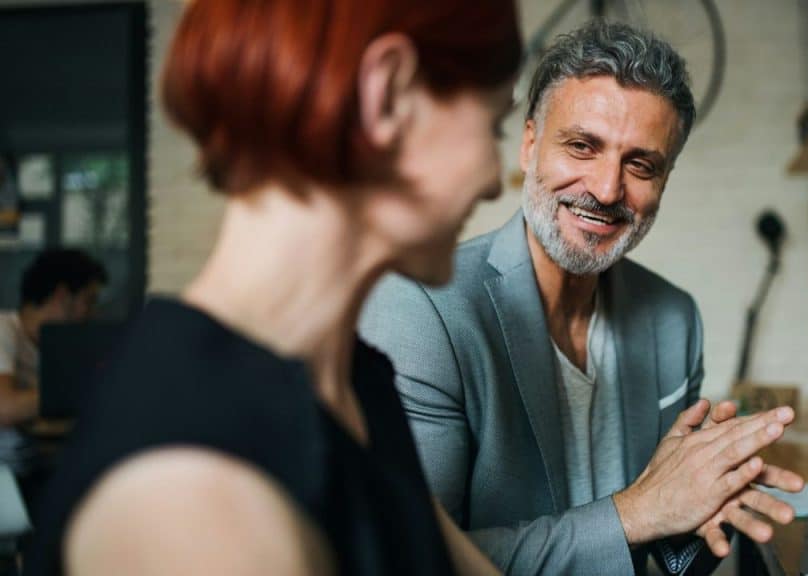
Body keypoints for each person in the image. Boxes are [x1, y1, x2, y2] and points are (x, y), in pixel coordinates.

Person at [26, 0, 521, 574]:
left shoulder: (355, 383)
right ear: (387, 95)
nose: (492, 177)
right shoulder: (191, 498)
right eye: (493, 126)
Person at [360, 21, 806, 574]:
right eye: (581, 146)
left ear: (664, 180)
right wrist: (637, 513)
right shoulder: (423, 310)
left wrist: (706, 506)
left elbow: (671, 554)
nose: (606, 189)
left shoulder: (675, 320)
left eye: (641, 164)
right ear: (529, 143)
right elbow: (413, 559)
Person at [0, 248, 107, 477]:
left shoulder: (57, 347)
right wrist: (93, 386)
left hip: (33, 467)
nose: (90, 313)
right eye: (88, 301)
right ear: (62, 296)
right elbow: (5, 408)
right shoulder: (3, 329)